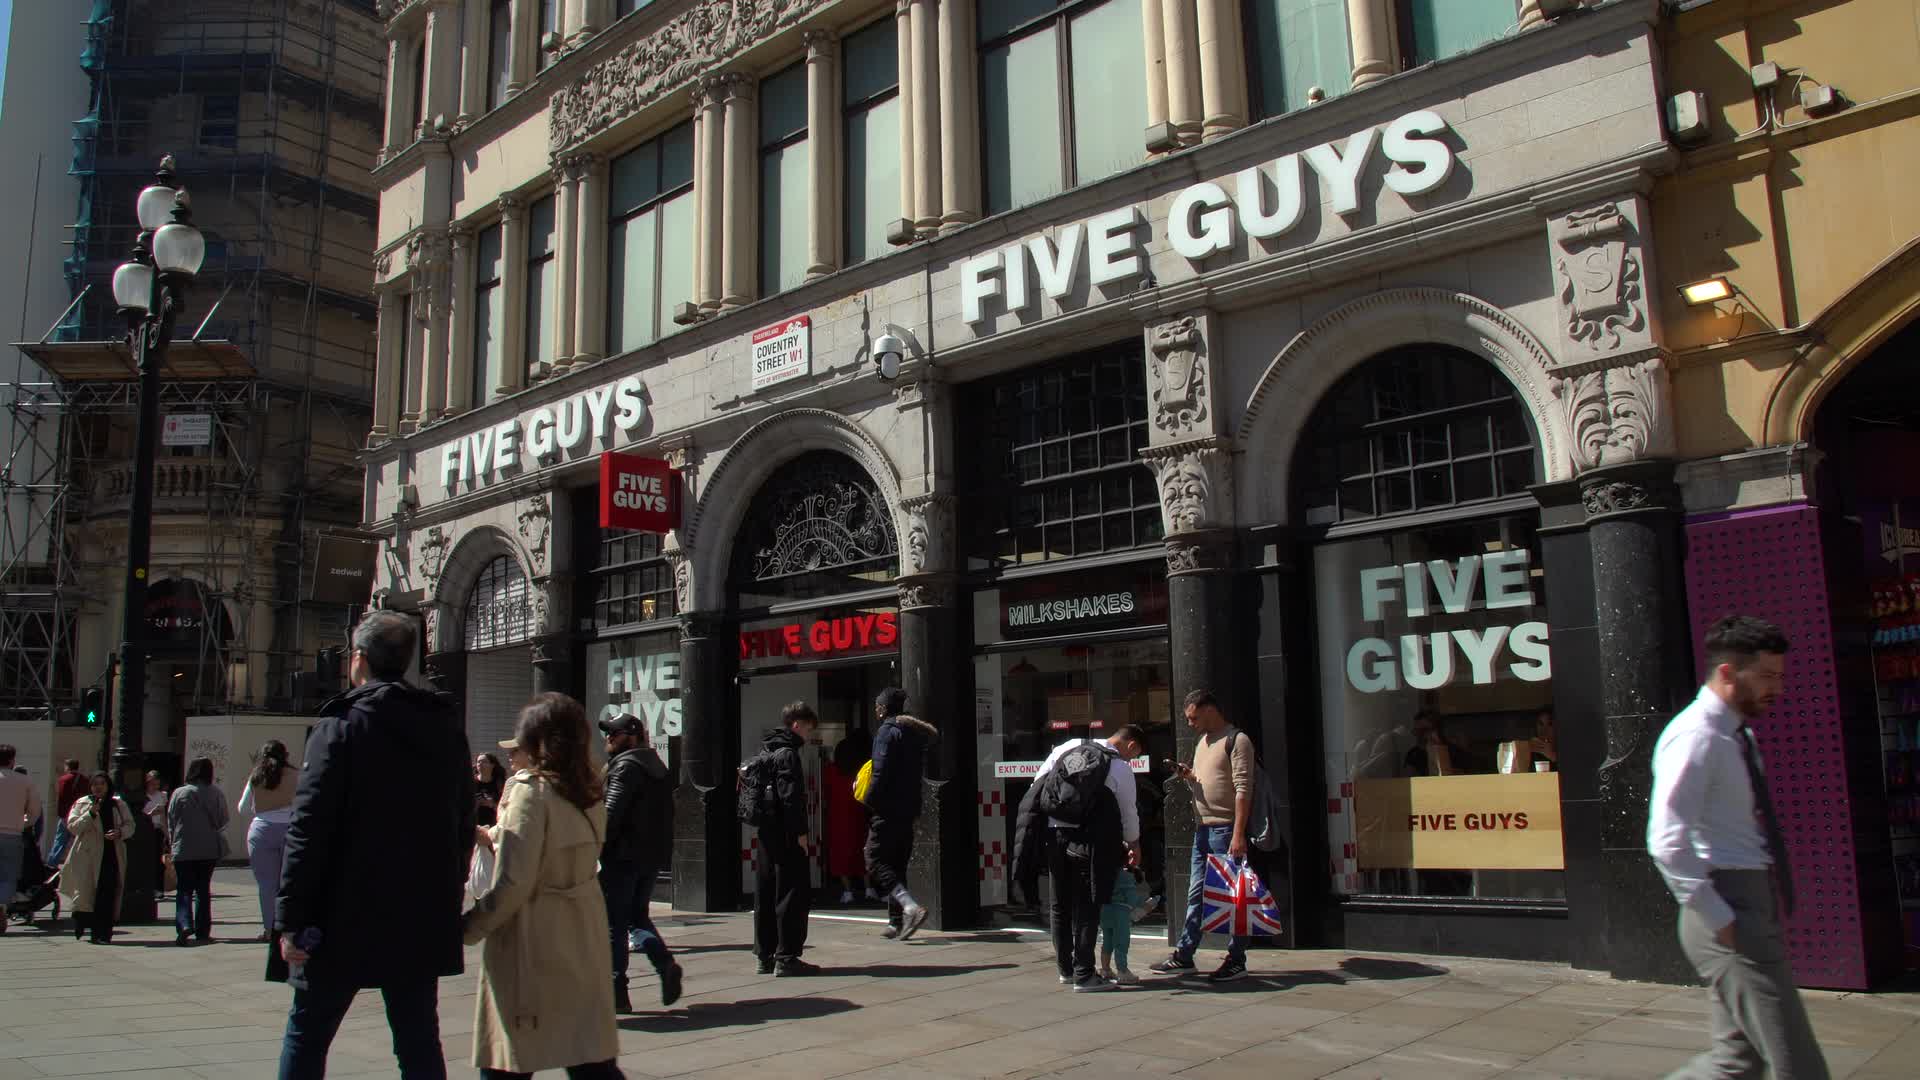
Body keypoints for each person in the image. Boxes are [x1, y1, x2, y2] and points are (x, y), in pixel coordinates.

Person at [275, 609, 475, 1080]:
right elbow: (463, 821)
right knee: (419, 1038)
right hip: (417, 912)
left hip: (339, 913)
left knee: (307, 1034)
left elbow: (308, 827)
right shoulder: (444, 728)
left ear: (358, 659)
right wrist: (448, 890)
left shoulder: (339, 727)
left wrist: (291, 919)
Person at [1649, 615, 1830, 1079]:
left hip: (1747, 900)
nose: (1778, 688)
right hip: (1728, 907)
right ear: (1728, 672)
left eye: (1781, 676)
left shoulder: (1734, 735)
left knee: (1736, 1063)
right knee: (1798, 1064)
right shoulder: (1697, 737)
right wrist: (1721, 918)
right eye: (1767, 676)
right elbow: (1667, 839)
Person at [464, 693, 623, 1079]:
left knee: (509, 1057)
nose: (513, 756)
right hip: (581, 935)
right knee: (588, 1057)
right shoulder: (587, 793)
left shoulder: (531, 792)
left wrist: (470, 927)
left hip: (533, 942)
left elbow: (514, 881)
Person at [1012, 727, 1144, 992]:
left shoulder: (1067, 747)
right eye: (1135, 754)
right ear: (1131, 745)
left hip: (1054, 834)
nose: (1132, 759)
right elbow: (1128, 813)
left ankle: (1066, 970)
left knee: (1060, 904)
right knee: (1088, 904)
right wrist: (1134, 844)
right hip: (1090, 840)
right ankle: (1084, 974)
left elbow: (1037, 786)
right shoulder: (1119, 767)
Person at [1152, 689, 1255, 983]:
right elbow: (1205, 779)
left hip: (1225, 829)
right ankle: (1185, 955)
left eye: (1194, 717)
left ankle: (1237, 959)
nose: (1191, 724)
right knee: (1196, 893)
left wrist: (1238, 833)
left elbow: (1243, 789)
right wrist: (1189, 776)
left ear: (1211, 710)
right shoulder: (1202, 742)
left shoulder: (1237, 740)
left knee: (1234, 896)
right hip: (1204, 828)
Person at [597, 711, 683, 1010]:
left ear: (631, 736)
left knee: (615, 925)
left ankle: (616, 991)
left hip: (621, 858)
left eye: (614, 733)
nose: (608, 738)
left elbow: (611, 814)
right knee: (636, 916)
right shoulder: (655, 766)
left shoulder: (625, 767)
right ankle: (665, 964)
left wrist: (597, 846)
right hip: (648, 857)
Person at [749, 702, 819, 976]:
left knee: (765, 892)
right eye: (808, 728)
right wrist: (801, 834)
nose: (809, 735)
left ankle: (764, 955)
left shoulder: (766, 749)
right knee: (791, 893)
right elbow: (790, 799)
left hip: (766, 832)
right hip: (786, 834)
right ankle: (787, 956)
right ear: (796, 725)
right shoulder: (788, 754)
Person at [863, 687, 936, 941]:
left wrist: (869, 800)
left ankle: (910, 908)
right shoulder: (913, 734)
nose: (875, 709)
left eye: (877, 705)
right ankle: (896, 921)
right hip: (909, 808)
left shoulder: (886, 732)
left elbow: (879, 772)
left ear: (883, 708)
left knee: (873, 857)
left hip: (888, 808)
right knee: (897, 862)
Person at [61, 771, 135, 943]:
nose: (98, 787)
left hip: (111, 855)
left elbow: (130, 825)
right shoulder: (82, 803)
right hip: (87, 856)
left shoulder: (118, 804)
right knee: (85, 894)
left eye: (102, 783)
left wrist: (119, 832)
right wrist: (90, 814)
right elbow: (73, 826)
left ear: (108, 786)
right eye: (95, 784)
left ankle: (102, 933)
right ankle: (81, 921)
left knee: (106, 895)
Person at [240, 740, 299, 940]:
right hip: (291, 829)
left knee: (267, 884)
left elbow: (242, 807)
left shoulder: (256, 776)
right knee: (290, 882)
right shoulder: (296, 775)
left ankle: (269, 929)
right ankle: (289, 927)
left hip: (262, 829)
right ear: (286, 754)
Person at [168, 756, 230, 946]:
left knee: (184, 889)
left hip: (183, 846)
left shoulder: (179, 792)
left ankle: (184, 923)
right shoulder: (216, 793)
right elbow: (222, 820)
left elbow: (171, 819)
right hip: (208, 848)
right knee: (203, 890)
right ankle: (203, 931)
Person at [824, 731, 872, 903]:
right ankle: (869, 889)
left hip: (837, 818)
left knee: (840, 854)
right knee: (862, 853)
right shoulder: (861, 770)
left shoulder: (831, 771)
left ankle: (848, 891)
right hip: (859, 816)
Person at [0, 744, 42, 933]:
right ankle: (1, 907)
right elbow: (34, 811)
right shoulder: (24, 781)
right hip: (13, 834)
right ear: (12, 760)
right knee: (9, 875)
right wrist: (25, 823)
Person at [47, 757, 85, 867]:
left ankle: (52, 864)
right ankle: (76, 864)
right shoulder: (85, 780)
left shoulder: (63, 779)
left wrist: (60, 813)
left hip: (66, 815)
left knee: (60, 840)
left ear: (67, 767)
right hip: (79, 815)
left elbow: (61, 797)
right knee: (78, 841)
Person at [144, 771, 171, 900]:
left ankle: (158, 888)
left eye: (157, 784)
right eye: (153, 784)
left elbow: (163, 817)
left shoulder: (162, 795)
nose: (155, 787)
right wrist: (151, 814)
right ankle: (148, 887)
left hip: (158, 829)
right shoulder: (142, 796)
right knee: (147, 860)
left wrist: (168, 834)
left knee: (158, 860)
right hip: (146, 829)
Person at [475, 753, 508, 827]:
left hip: (493, 826)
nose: (480, 764)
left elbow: (507, 810)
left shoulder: (500, 784)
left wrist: (492, 804)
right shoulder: (470, 783)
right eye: (478, 762)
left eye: (484, 761)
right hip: (474, 826)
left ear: (492, 765)